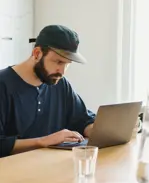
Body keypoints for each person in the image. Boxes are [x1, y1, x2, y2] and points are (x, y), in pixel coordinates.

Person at [0, 25, 95, 158]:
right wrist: (43, 141)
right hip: (11, 175)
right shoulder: (3, 85)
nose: (62, 71)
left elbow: (83, 119)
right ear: (37, 53)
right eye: (58, 62)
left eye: (67, 64)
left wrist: (107, 132)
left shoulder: (60, 84)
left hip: (51, 170)